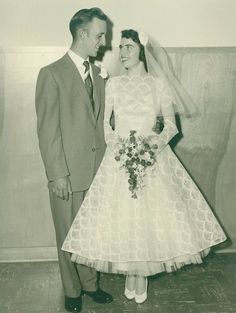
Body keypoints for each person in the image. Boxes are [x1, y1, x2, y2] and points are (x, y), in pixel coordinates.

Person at [62, 29, 226, 304]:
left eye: (128, 47)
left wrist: (150, 148)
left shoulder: (158, 85)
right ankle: (131, 277)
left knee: (151, 219)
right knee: (124, 219)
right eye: (121, 47)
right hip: (119, 158)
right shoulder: (112, 84)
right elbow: (106, 125)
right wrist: (121, 148)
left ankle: (140, 281)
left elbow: (171, 126)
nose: (122, 52)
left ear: (142, 51)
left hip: (152, 158)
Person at [35, 8, 113, 312]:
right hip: (67, 173)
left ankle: (91, 285)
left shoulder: (99, 75)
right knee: (67, 234)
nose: (104, 42)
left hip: (98, 170)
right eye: (99, 35)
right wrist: (57, 175)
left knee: (90, 232)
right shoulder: (51, 74)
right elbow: (47, 130)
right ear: (82, 34)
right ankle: (72, 290)